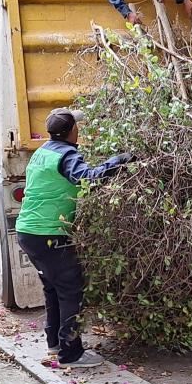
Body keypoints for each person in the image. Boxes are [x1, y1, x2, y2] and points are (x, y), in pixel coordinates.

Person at [15, 108, 133, 367]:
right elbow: (87, 178)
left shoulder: (43, 151)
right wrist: (119, 160)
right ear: (71, 131)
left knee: (53, 288)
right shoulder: (66, 154)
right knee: (71, 288)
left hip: (28, 232)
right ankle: (71, 354)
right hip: (48, 234)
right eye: (77, 127)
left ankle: (55, 345)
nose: (79, 130)